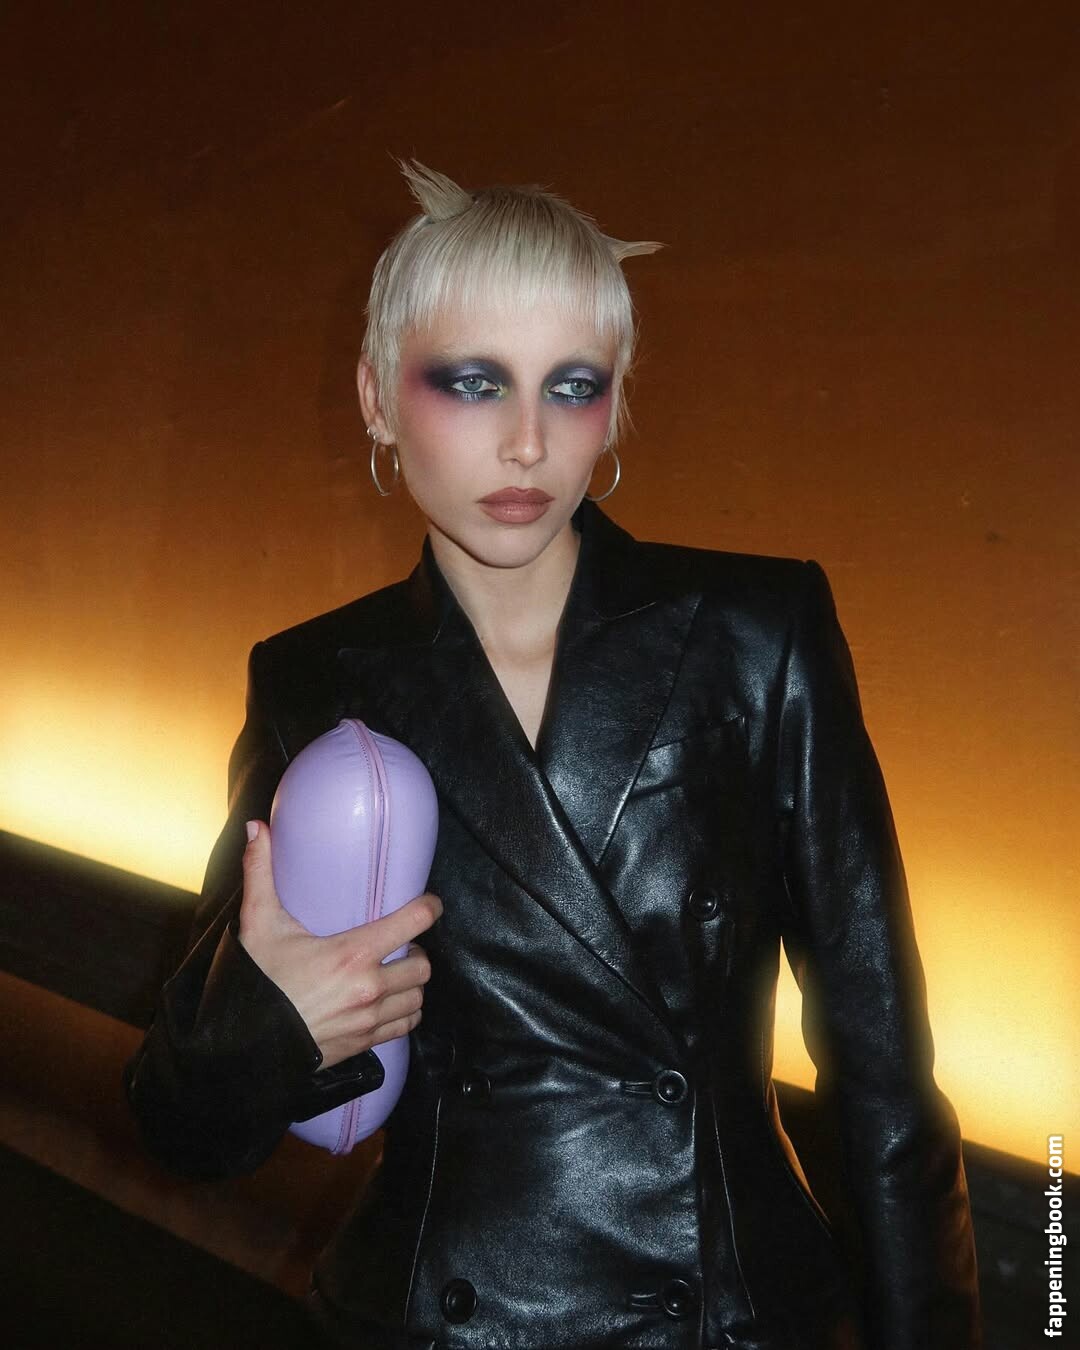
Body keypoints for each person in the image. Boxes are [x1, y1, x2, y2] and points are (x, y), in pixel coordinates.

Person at [125, 160, 981, 1350]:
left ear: (614, 407)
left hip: (729, 1314)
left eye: (571, 388)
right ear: (376, 398)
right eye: (474, 383)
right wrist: (272, 1022)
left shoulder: (756, 634)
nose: (527, 443)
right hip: (441, 1319)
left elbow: (882, 1073)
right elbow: (183, 1131)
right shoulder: (314, 682)